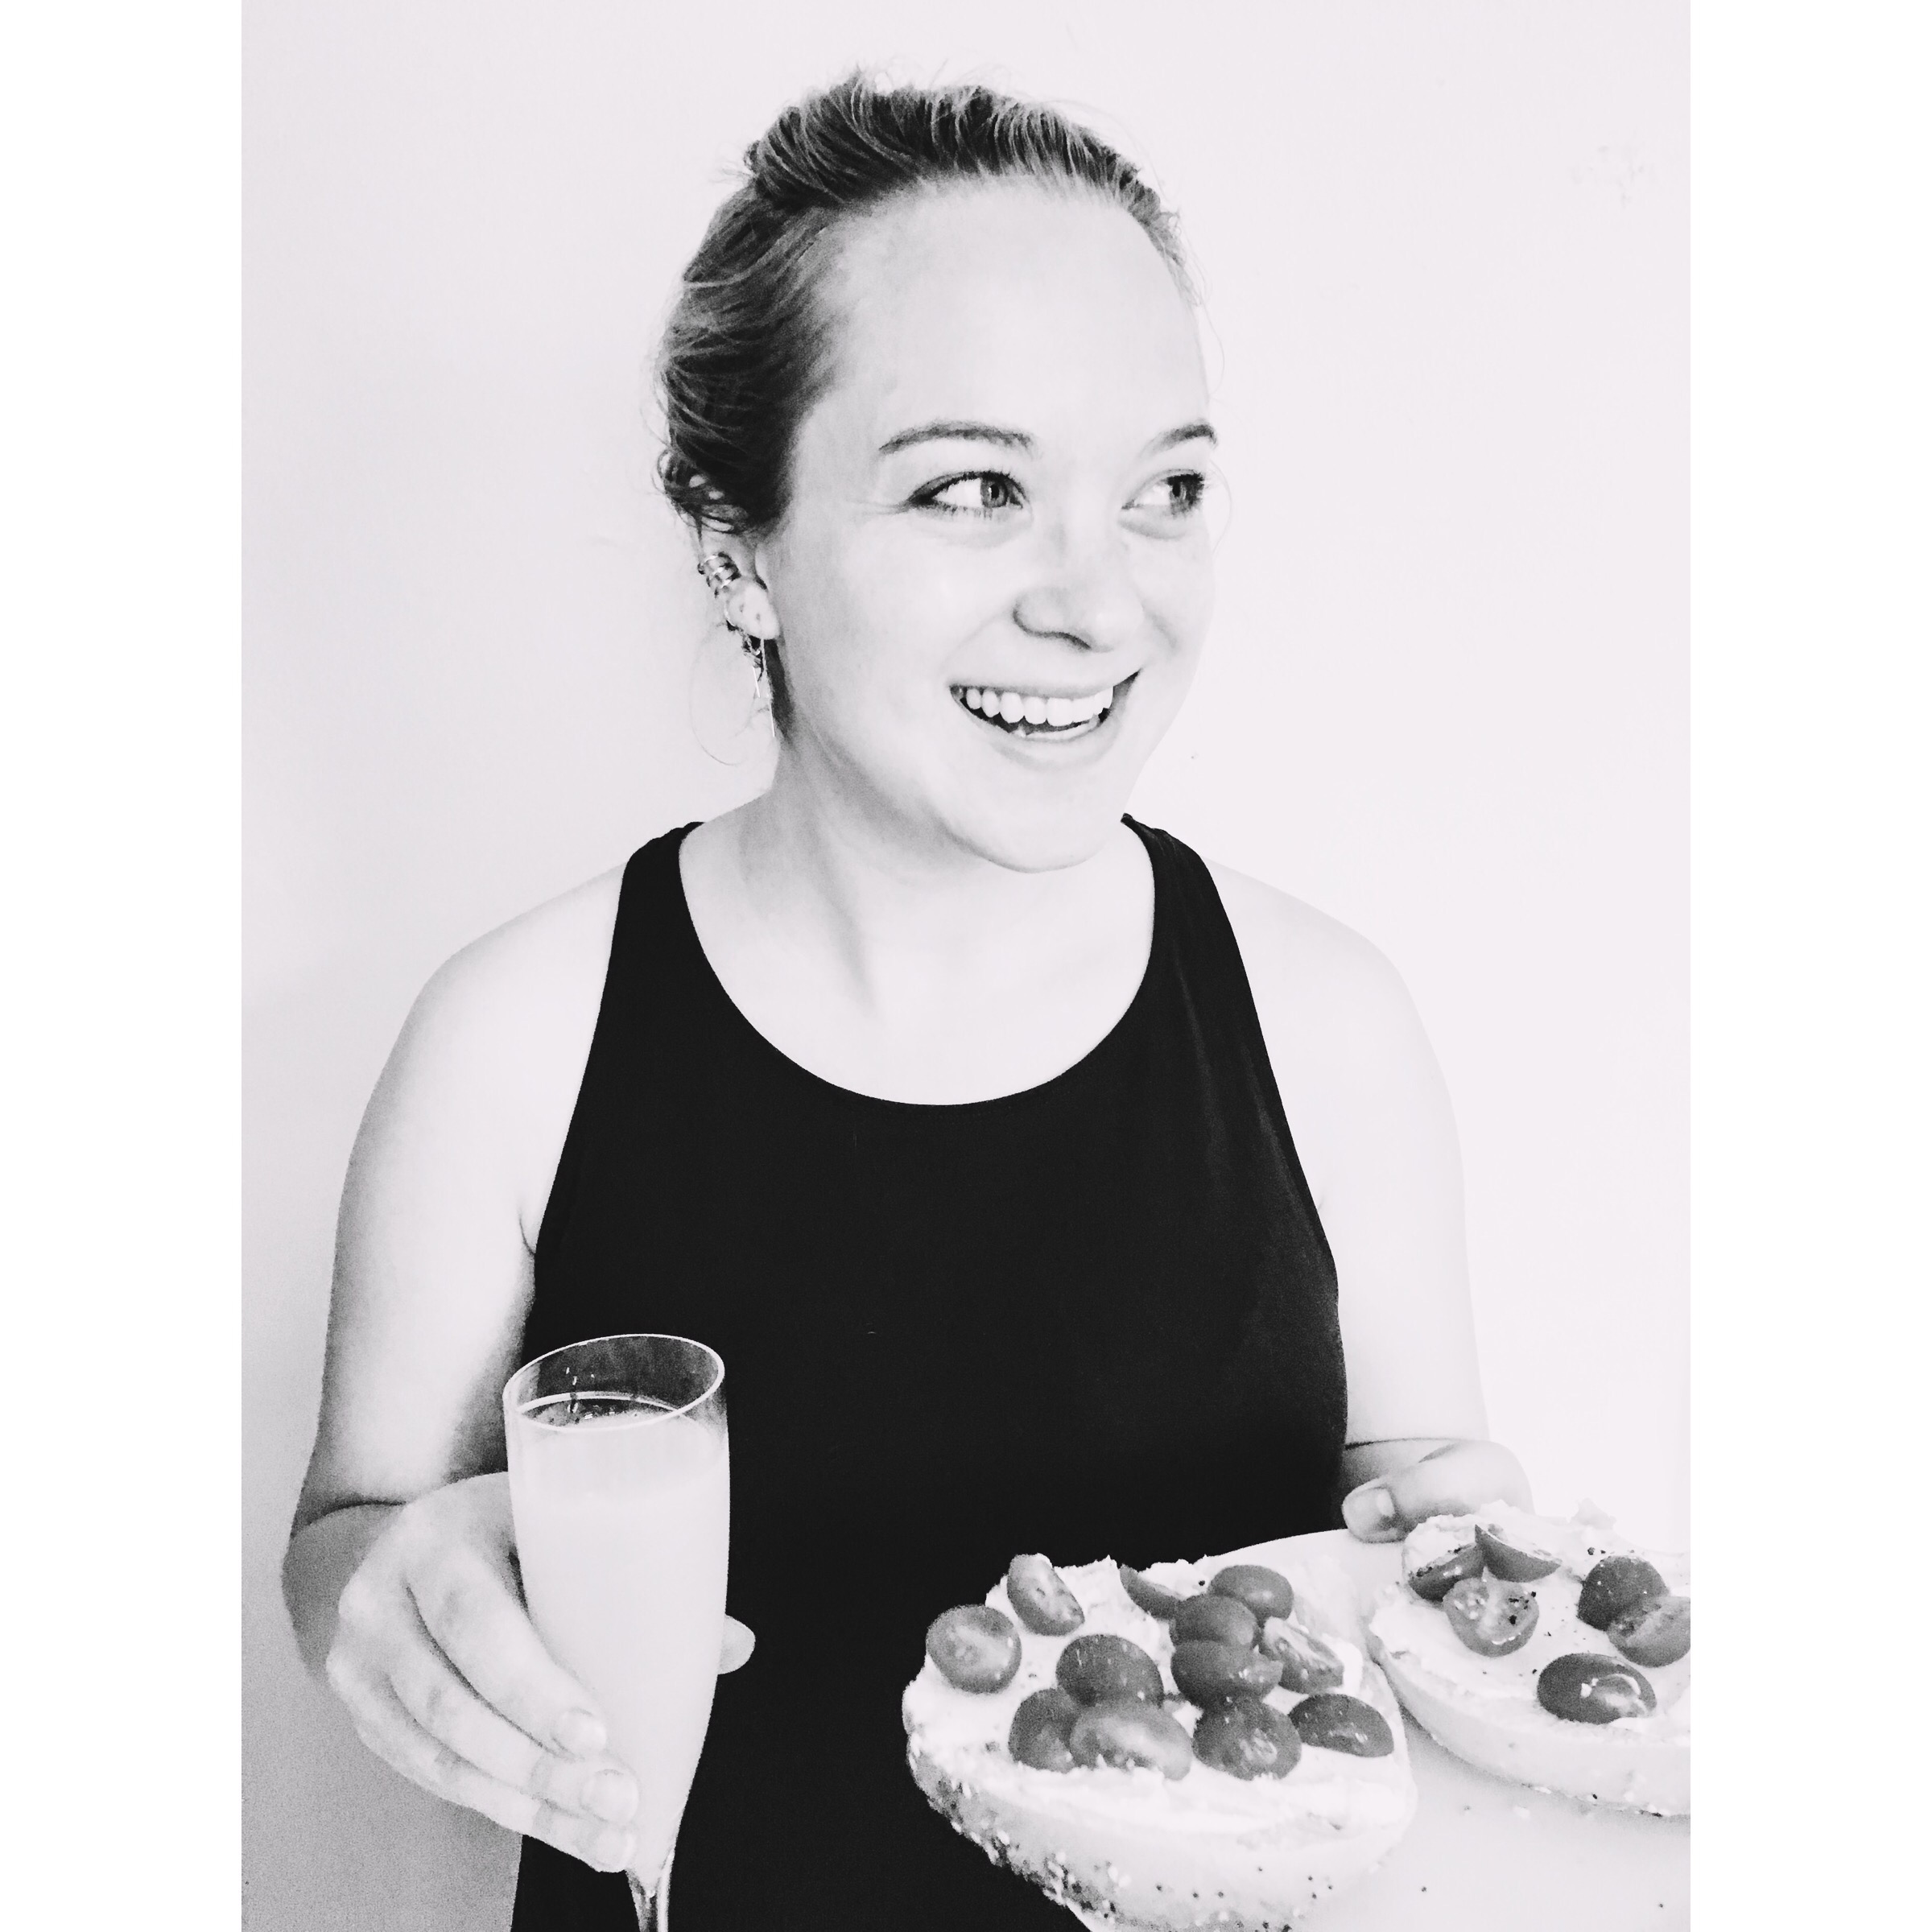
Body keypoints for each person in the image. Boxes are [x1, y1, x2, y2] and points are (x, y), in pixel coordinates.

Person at [283, 72, 1532, 1931]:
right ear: (739, 549)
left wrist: (1457, 1539)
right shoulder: (514, 1039)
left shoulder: (1328, 1021)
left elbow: (1410, 1493)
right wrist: (383, 1595)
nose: (1100, 604)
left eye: (1167, 491)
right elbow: (353, 1538)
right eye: (974, 489)